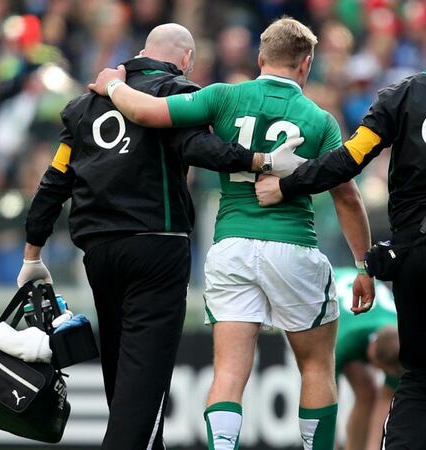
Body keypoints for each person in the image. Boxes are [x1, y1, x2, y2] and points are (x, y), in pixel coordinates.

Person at [255, 5, 426, 449]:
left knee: (418, 375)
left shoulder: (398, 97)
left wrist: (287, 185)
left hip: (411, 254)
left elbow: (347, 160)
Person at [89, 17, 375, 450]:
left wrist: (112, 85)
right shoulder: (319, 120)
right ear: (307, 63)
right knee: (316, 366)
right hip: (294, 246)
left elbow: (146, 111)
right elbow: (348, 198)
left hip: (232, 246)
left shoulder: (224, 96)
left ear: (260, 58)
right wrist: (362, 265)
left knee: (228, 372)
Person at [18, 24, 305, 450]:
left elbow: (54, 180)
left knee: (124, 386)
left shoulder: (83, 107)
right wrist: (260, 161)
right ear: (185, 58)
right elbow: (198, 149)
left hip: (99, 252)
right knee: (143, 392)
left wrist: (32, 253)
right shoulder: (176, 92)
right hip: (156, 247)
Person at [333, 268, 401, 450]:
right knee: (366, 391)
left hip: (362, 318)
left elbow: (386, 400)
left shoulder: (399, 348)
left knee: (368, 392)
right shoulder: (346, 341)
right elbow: (327, 398)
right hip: (324, 300)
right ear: (370, 351)